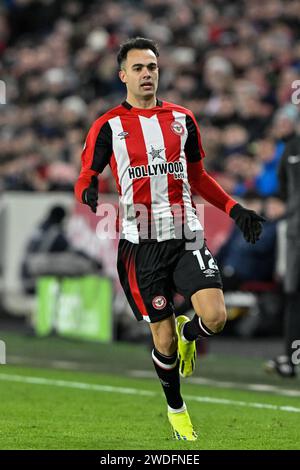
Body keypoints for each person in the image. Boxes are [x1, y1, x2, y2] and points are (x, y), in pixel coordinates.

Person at [74, 37, 264, 441]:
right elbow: (86, 174)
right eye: (139, 68)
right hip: (140, 245)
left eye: (152, 67)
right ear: (123, 75)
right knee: (161, 339)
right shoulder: (107, 125)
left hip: (186, 234)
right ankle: (177, 410)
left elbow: (197, 177)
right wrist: (87, 191)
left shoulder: (182, 119)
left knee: (214, 317)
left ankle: (190, 334)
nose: (147, 74)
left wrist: (235, 209)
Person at [265, 133, 300, 378]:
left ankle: (291, 359)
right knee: (294, 295)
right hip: (297, 232)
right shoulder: (292, 148)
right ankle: (291, 359)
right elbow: (283, 190)